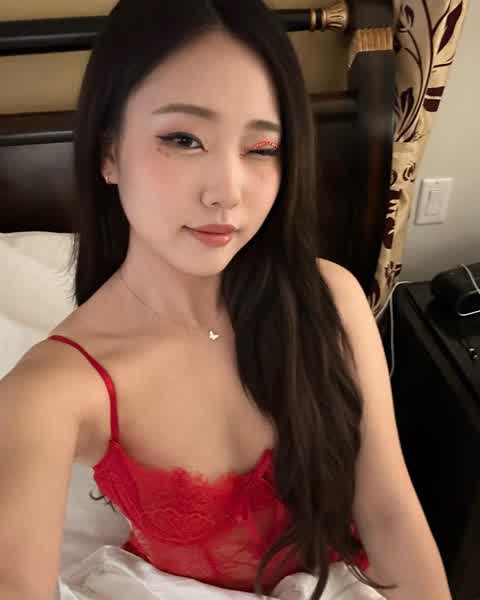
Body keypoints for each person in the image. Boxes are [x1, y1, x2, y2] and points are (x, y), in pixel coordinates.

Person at [0, 2, 453, 600]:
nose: (227, 192)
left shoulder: (331, 301)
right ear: (109, 151)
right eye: (183, 139)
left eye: (261, 147)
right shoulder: (50, 392)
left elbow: (389, 515)